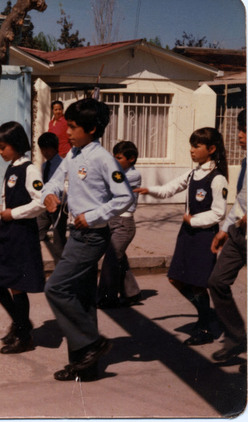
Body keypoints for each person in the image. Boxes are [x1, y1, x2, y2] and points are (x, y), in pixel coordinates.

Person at [41, 98, 134, 381]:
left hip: (91, 235)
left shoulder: (103, 158)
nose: (66, 132)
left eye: (72, 127)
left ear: (91, 129)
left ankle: (92, 343)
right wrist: (49, 194)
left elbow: (125, 196)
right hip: (75, 234)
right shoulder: (73, 154)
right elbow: (56, 180)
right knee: (81, 299)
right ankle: (85, 366)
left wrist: (94, 215)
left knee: (55, 289)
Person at [136, 127, 228, 346]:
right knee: (175, 277)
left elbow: (218, 212)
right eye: (192, 145)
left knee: (198, 283)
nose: (191, 150)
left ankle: (204, 325)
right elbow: (169, 189)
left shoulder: (217, 178)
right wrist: (149, 190)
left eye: (197, 146)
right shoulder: (192, 173)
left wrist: (192, 220)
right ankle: (205, 313)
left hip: (204, 235)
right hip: (187, 235)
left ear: (211, 149)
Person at [0, 122, 46, 354]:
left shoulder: (30, 169)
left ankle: (24, 336)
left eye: (2, 147)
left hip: (21, 232)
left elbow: (41, 202)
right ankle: (21, 323)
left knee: (17, 286)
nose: (0, 152)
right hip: (7, 230)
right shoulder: (11, 167)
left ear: (16, 144)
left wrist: (14, 213)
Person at [207, 109, 246, 370]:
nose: (240, 136)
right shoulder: (246, 161)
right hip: (238, 234)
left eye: (245, 131)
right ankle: (236, 337)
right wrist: (225, 228)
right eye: (241, 129)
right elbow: (242, 198)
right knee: (217, 281)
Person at [97, 141, 142, 308]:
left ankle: (106, 298)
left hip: (124, 223)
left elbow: (109, 185)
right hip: (112, 221)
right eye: (113, 158)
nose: (115, 161)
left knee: (110, 261)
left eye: (119, 158)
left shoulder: (133, 175)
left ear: (131, 159)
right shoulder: (118, 172)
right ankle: (132, 293)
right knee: (119, 258)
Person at [36, 131, 67, 263]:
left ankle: (62, 267)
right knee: (37, 231)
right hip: (45, 205)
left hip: (58, 205)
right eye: (42, 149)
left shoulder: (62, 164)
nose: (45, 152)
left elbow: (60, 184)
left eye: (48, 149)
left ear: (55, 148)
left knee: (58, 239)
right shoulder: (44, 165)